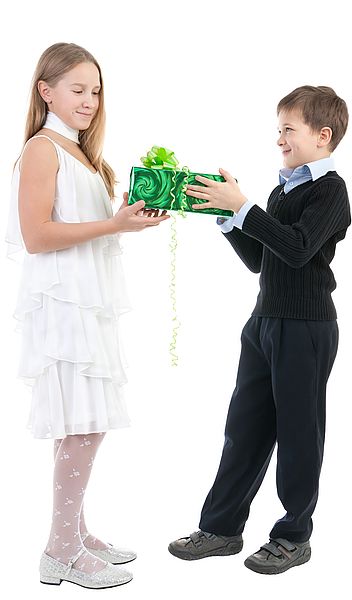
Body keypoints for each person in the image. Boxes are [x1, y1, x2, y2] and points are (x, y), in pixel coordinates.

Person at [168, 85, 351, 575]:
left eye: (288, 129)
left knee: (298, 433)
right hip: (264, 322)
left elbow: (296, 248)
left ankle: (293, 536)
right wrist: (227, 216)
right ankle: (221, 528)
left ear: (322, 135)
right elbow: (260, 259)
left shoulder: (330, 190)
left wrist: (246, 206)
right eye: (279, 129)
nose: (280, 139)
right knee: (244, 428)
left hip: (306, 327)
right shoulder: (281, 189)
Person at [6, 42, 169, 589]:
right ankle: (60, 550)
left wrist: (130, 217)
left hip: (87, 302)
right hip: (63, 306)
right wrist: (113, 226)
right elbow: (36, 236)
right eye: (78, 90)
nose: (90, 100)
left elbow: (91, 225)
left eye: (96, 91)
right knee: (85, 424)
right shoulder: (42, 149)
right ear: (45, 91)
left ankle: (74, 531)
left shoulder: (82, 154)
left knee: (81, 421)